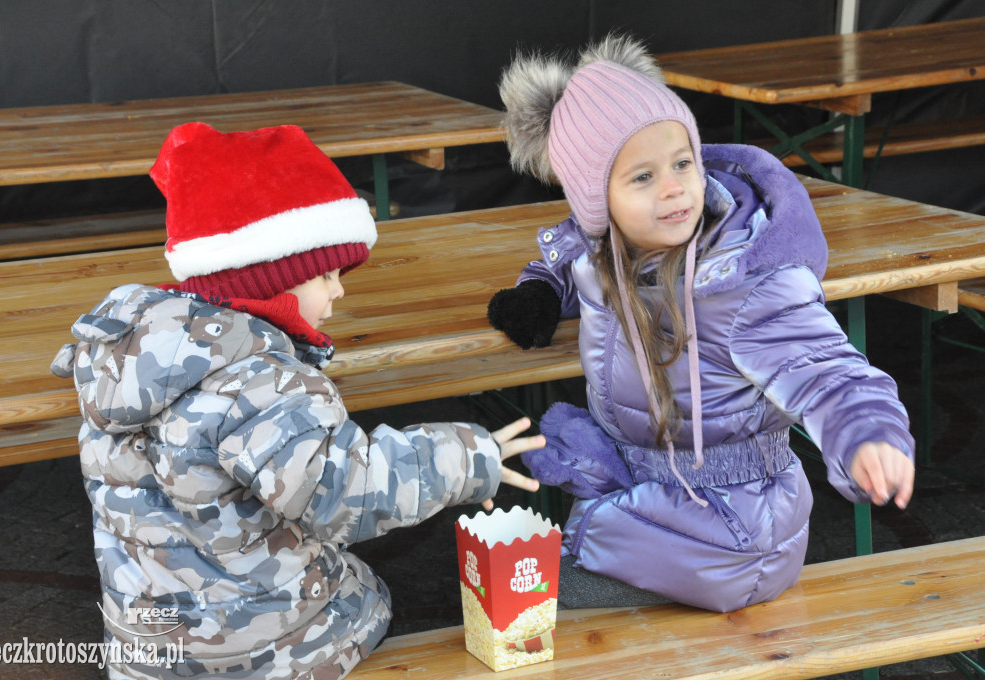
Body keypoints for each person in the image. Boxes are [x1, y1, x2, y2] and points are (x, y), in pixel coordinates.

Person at [51, 122, 542, 679]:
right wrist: (470, 457)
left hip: (149, 648)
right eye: (326, 273)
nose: (338, 290)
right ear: (272, 277)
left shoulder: (130, 353)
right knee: (361, 595)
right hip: (256, 655)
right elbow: (347, 489)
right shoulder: (260, 382)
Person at [487, 36, 915, 613]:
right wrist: (541, 290)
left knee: (537, 603)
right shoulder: (604, 249)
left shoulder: (746, 283)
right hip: (667, 501)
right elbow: (569, 259)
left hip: (732, 530)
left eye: (683, 163)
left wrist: (867, 434)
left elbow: (827, 371)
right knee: (535, 580)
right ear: (596, 201)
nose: (673, 187)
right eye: (642, 177)